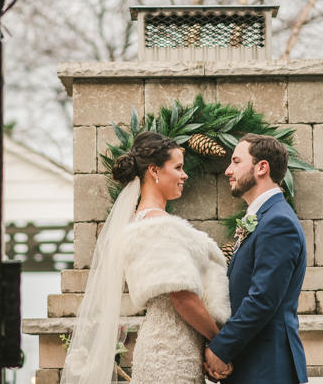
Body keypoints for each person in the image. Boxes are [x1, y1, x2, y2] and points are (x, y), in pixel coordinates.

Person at [60, 131, 232, 384]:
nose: (185, 175)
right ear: (154, 171)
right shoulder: (156, 225)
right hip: (172, 353)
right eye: (178, 167)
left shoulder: (141, 221)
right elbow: (181, 296)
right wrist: (220, 344)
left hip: (170, 345)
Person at [204, 134, 309, 384]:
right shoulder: (265, 218)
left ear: (262, 167)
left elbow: (262, 299)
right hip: (253, 363)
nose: (228, 170)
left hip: (267, 367)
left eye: (236, 162)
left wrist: (220, 348)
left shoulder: (278, 222)